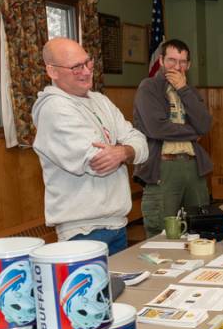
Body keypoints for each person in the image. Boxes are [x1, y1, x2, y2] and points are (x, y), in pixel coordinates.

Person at [32, 38, 148, 255]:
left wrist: (124, 151)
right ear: (52, 71)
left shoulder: (100, 100)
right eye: (76, 67)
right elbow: (97, 162)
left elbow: (140, 143)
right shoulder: (54, 108)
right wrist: (122, 150)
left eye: (88, 63)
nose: (86, 72)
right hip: (82, 231)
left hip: (117, 224)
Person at [133, 39, 213, 237]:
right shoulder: (148, 87)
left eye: (182, 62)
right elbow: (157, 128)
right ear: (160, 60)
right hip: (163, 167)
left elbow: (205, 124)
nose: (177, 67)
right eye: (171, 60)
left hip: (193, 166)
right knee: (163, 232)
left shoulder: (190, 91)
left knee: (200, 229)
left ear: (189, 65)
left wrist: (184, 90)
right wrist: (194, 132)